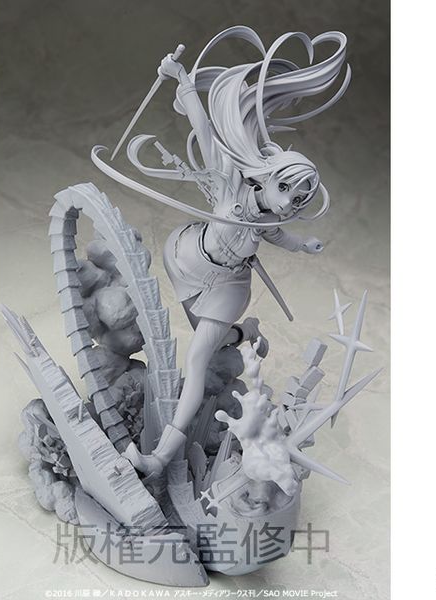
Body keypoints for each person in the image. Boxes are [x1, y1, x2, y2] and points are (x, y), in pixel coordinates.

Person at [98, 26, 351, 475]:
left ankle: (159, 457)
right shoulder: (230, 183)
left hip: (230, 285)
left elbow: (282, 238)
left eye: (299, 200)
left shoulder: (270, 222)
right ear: (270, 174)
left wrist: (304, 244)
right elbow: (202, 127)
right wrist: (181, 78)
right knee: (209, 342)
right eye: (287, 189)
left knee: (197, 359)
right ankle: (245, 333)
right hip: (187, 259)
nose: (289, 203)